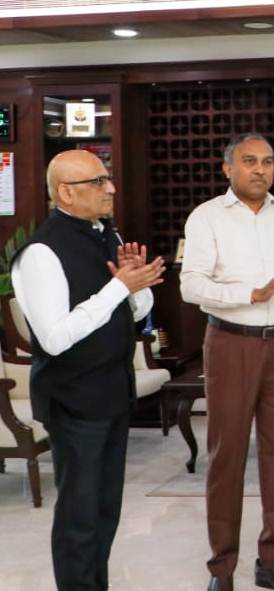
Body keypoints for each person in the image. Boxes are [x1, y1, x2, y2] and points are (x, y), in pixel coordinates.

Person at [13, 149, 162, 590]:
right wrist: (117, 288)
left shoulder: (106, 235)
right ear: (66, 192)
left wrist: (135, 284)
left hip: (113, 392)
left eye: (107, 179)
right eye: (98, 182)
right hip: (74, 401)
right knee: (79, 519)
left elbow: (136, 313)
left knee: (104, 512)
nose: (110, 189)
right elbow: (55, 338)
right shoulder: (40, 253)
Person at [181, 133, 274, 591]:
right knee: (228, 455)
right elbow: (191, 285)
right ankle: (222, 569)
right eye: (249, 161)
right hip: (230, 343)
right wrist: (250, 295)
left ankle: (273, 562)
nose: (260, 169)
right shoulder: (207, 217)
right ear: (228, 169)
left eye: (267, 161)